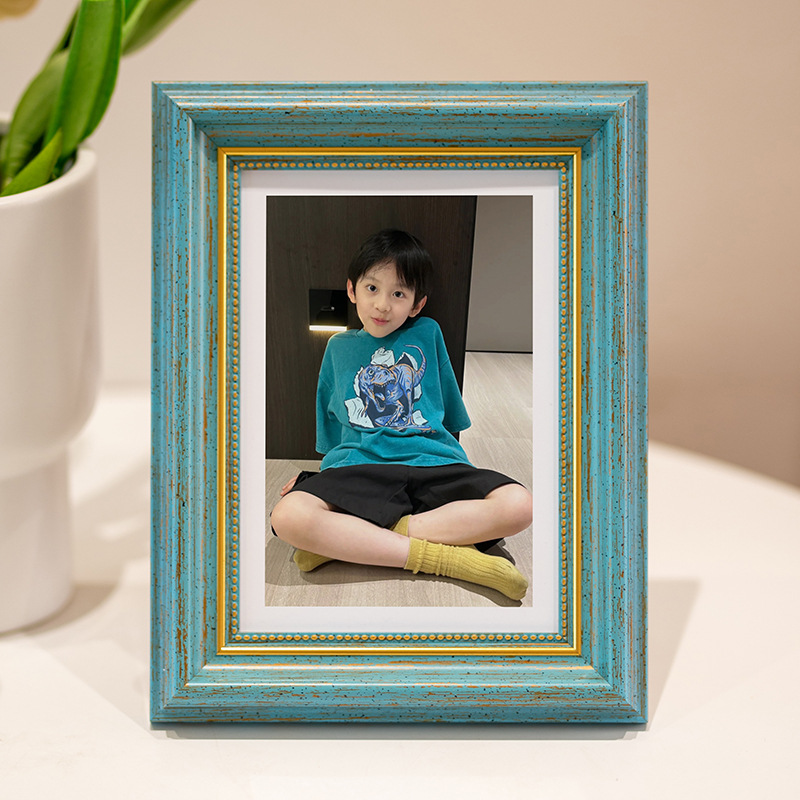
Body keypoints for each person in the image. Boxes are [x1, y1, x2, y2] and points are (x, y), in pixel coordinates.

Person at [270, 229, 532, 601]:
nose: (382, 305)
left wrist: (453, 458)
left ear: (416, 304)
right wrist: (318, 476)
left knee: (520, 504)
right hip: (361, 466)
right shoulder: (338, 347)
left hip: (433, 463)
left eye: (398, 294)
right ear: (352, 290)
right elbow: (331, 421)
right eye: (372, 288)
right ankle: (452, 560)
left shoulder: (428, 332)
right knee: (287, 516)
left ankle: (351, 541)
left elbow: (447, 410)